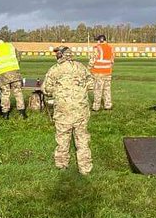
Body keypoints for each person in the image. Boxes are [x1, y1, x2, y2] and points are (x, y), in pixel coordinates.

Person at [42, 46, 92, 175]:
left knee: (63, 138)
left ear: (60, 55)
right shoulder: (81, 67)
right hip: (81, 110)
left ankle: (61, 164)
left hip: (63, 111)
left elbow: (46, 89)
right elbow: (91, 84)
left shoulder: (55, 69)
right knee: (82, 139)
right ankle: (85, 168)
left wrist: (58, 92)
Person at [0, 37, 26, 118]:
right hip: (15, 73)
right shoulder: (11, 46)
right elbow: (19, 58)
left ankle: (5, 113)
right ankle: (22, 113)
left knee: (5, 93)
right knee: (18, 92)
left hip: (3, 75)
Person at [89, 34, 114, 111]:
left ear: (101, 40)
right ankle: (108, 105)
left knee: (97, 90)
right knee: (107, 89)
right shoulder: (110, 48)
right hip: (108, 72)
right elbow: (112, 61)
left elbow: (92, 60)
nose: (97, 42)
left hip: (98, 72)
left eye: (97, 40)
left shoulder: (97, 48)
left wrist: (88, 69)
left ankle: (96, 107)